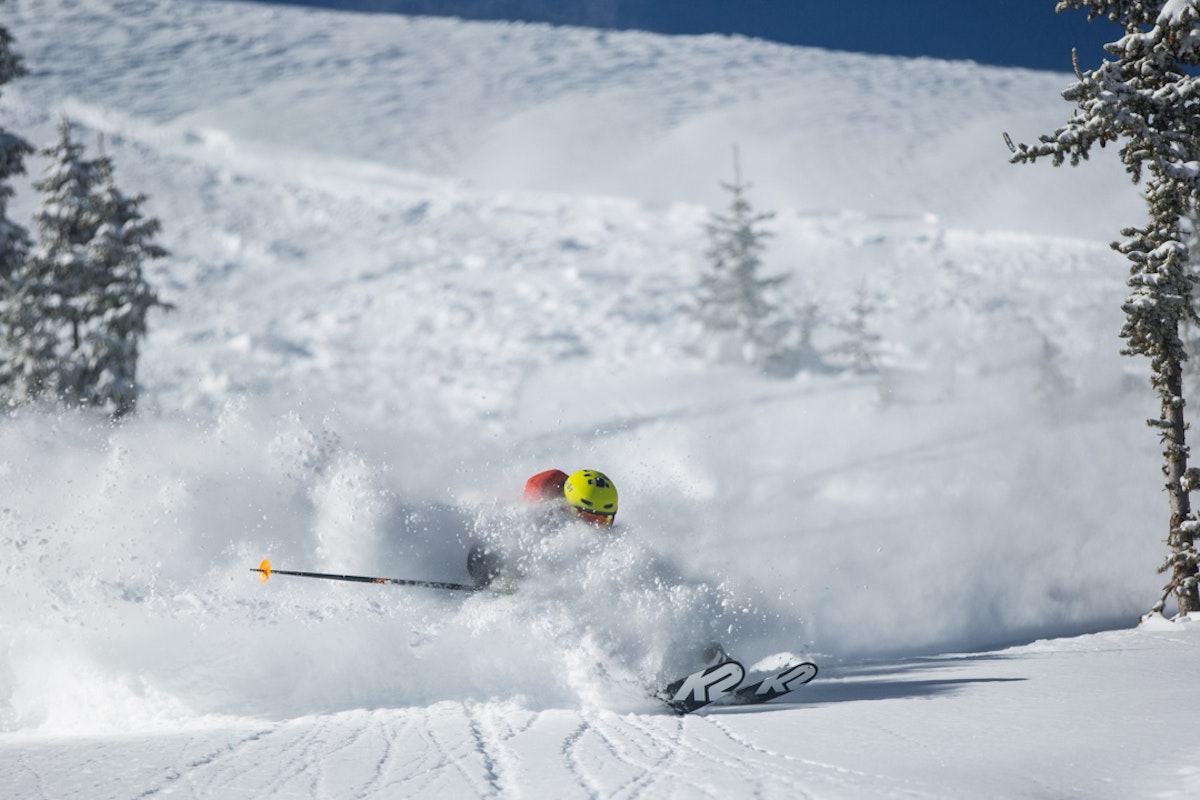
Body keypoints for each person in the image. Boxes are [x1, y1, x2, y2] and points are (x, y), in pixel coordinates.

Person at [468, 468, 619, 588]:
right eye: (585, 517)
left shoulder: (610, 542)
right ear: (565, 507)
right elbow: (481, 553)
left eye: (601, 519)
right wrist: (502, 580)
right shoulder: (532, 521)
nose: (593, 526)